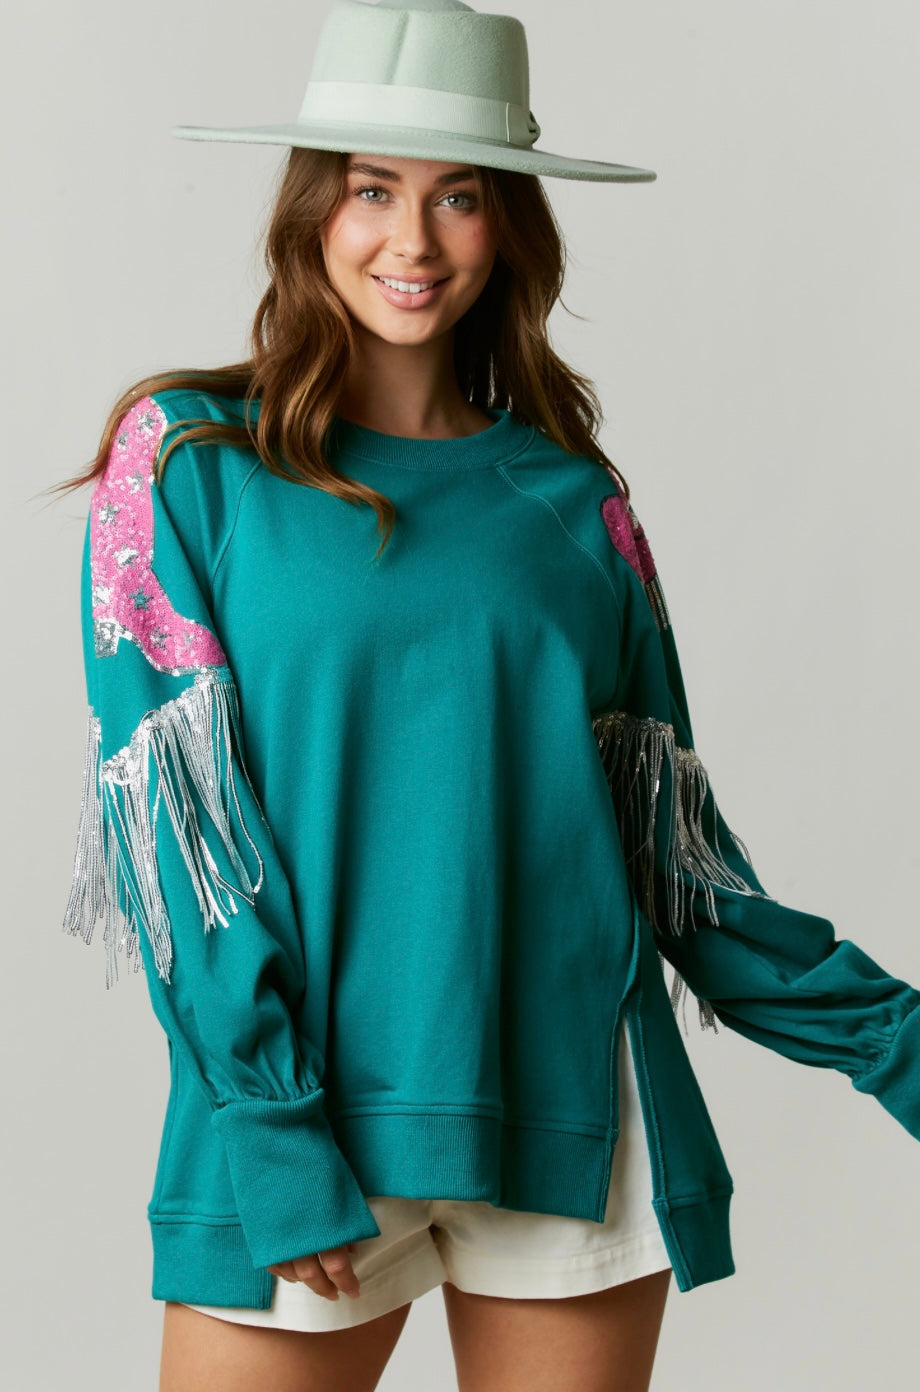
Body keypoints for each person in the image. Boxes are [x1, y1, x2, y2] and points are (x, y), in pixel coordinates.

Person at [51, 2, 920, 1390]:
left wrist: (898, 1042)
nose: (413, 239)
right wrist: (270, 1124)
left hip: (572, 1113)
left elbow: (678, 867)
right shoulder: (187, 463)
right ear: (311, 206)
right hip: (309, 1122)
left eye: (458, 195)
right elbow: (179, 837)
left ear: (508, 222)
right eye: (371, 189)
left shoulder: (576, 505)